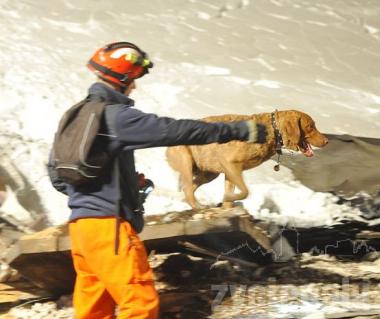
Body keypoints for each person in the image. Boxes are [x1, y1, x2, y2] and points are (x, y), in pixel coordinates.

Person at [48, 42, 266, 319]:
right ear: (124, 78)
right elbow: (175, 131)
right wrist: (236, 130)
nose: (135, 87)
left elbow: (58, 176)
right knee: (139, 304)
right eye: (134, 79)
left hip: (81, 230)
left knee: (94, 310)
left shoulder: (75, 117)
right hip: (109, 229)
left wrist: (114, 188)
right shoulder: (116, 117)